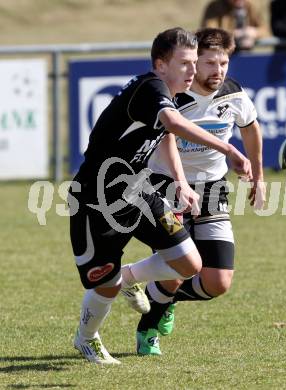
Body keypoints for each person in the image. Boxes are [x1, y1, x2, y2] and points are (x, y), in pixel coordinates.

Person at [69, 27, 251, 365]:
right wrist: (228, 147)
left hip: (138, 191)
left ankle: (126, 279)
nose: (193, 71)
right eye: (184, 63)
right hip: (97, 200)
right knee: (103, 285)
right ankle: (87, 338)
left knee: (189, 262)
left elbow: (165, 131)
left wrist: (180, 181)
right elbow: (174, 123)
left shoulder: (166, 94)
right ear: (160, 65)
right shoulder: (149, 88)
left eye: (194, 63)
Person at [126, 27, 266, 355]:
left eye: (224, 63)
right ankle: (148, 329)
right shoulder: (174, 95)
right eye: (209, 63)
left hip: (213, 187)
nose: (217, 71)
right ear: (192, 63)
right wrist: (180, 182)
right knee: (177, 266)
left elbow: (251, 129)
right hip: (166, 184)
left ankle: (163, 295)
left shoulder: (233, 94)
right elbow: (167, 136)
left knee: (218, 282)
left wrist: (258, 177)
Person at [201, 0, 266, 51]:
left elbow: (265, 30)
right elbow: (209, 32)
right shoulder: (215, 7)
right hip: (221, 54)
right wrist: (235, 34)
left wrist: (254, 32)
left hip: (246, 54)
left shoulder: (250, 5)